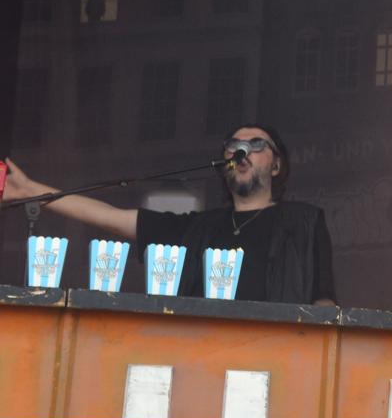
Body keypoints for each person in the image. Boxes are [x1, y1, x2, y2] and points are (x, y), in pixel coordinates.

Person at [5, 123, 338, 305]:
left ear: (277, 165)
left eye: (256, 144)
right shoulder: (199, 228)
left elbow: (324, 302)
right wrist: (31, 190)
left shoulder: (305, 221)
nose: (242, 150)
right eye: (234, 144)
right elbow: (112, 217)